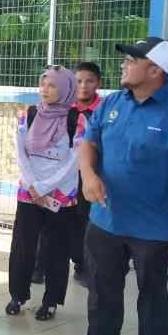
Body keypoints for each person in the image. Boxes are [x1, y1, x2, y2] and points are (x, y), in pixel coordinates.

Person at [62, 37, 168, 335]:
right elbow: (88, 144)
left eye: (132, 60)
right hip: (106, 221)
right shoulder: (112, 103)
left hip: (154, 228)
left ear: (155, 70)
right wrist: (89, 175)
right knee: (102, 290)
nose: (124, 65)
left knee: (153, 296)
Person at [5, 66, 87, 321]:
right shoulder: (27, 115)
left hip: (61, 195)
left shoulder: (77, 120)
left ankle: (51, 301)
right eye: (43, 84)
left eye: (52, 85)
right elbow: (20, 152)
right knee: (22, 246)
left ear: (65, 89)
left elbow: (75, 160)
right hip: (29, 192)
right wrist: (33, 184)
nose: (45, 90)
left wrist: (44, 186)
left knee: (55, 249)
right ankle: (18, 295)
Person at [33, 61, 104, 285]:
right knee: (49, 220)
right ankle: (40, 265)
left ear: (98, 84)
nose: (83, 86)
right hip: (60, 175)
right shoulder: (62, 107)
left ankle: (82, 265)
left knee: (82, 220)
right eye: (78, 81)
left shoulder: (104, 110)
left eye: (89, 81)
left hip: (89, 174)